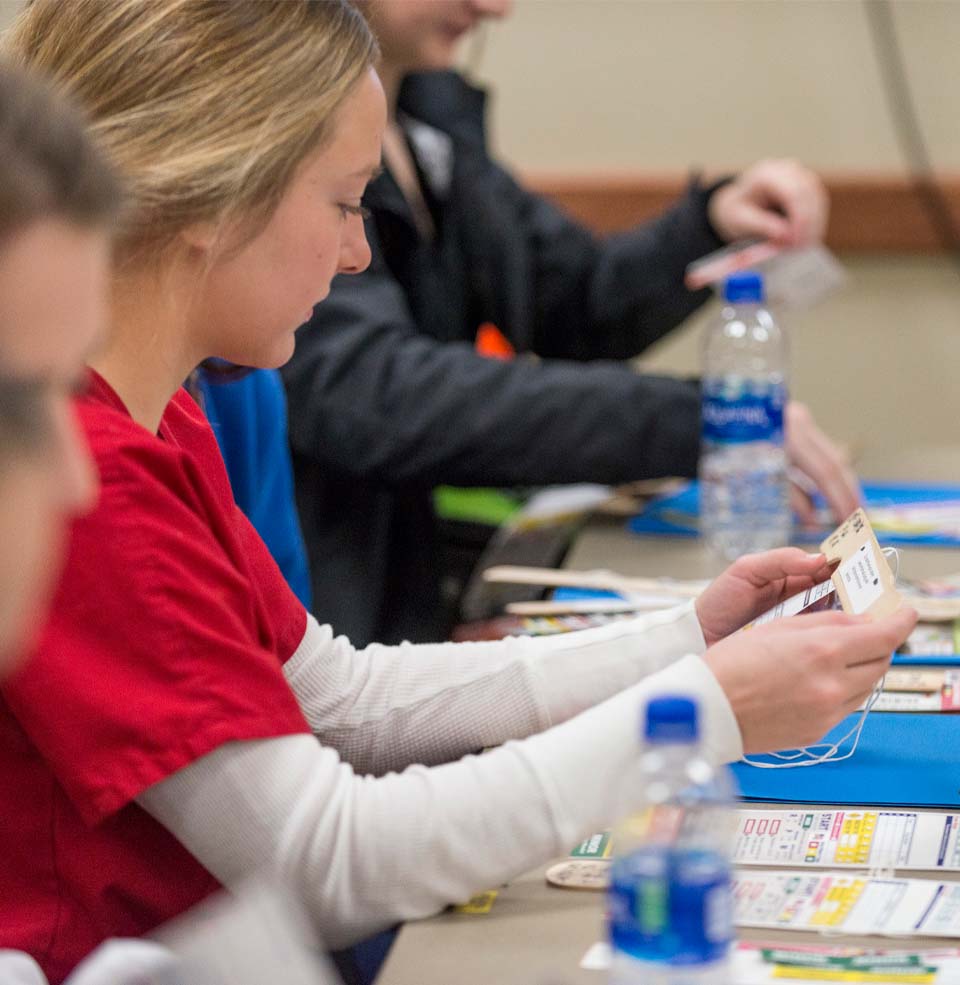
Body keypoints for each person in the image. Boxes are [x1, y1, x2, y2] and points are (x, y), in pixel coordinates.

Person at [4, 3, 914, 982]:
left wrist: (692, 639)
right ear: (215, 198)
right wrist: (708, 709)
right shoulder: (100, 472)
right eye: (347, 204)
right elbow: (332, 857)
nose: (357, 254)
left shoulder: (164, 417)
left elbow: (341, 698)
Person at [282, 0, 861, 646]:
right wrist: (701, 415)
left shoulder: (429, 125)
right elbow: (380, 396)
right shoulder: (281, 131)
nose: (494, 8)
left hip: (404, 614)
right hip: (331, 625)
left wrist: (714, 222)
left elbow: (572, 300)